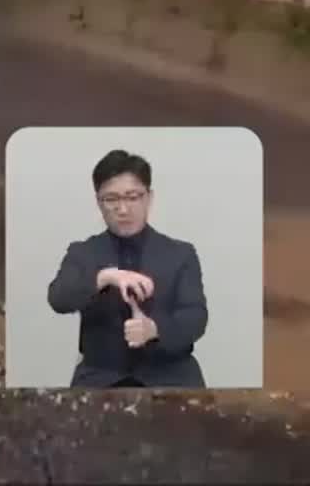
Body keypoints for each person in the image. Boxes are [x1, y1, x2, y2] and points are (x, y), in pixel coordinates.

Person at [46, 149, 208, 388]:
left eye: (132, 197)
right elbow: (58, 298)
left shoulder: (181, 253)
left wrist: (154, 329)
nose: (122, 209)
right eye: (111, 199)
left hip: (170, 376)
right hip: (101, 378)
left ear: (149, 198)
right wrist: (105, 277)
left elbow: (195, 317)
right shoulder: (82, 252)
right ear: (98, 202)